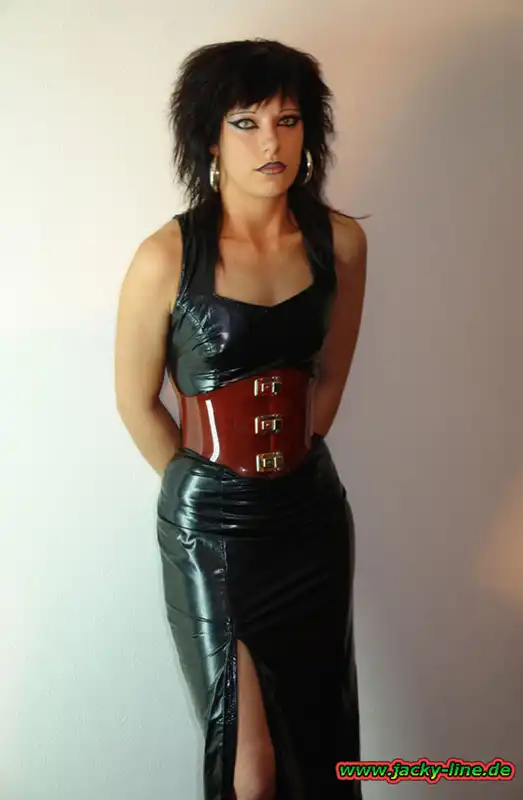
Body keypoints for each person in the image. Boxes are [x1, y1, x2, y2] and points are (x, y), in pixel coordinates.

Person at [114, 37, 368, 800]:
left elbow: (327, 381)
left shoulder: (340, 243)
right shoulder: (166, 257)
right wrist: (207, 491)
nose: (270, 143)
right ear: (209, 138)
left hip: (310, 520)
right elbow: (136, 402)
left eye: (287, 121)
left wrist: (287, 469)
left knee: (319, 747)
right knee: (248, 768)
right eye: (246, 123)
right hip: (212, 532)